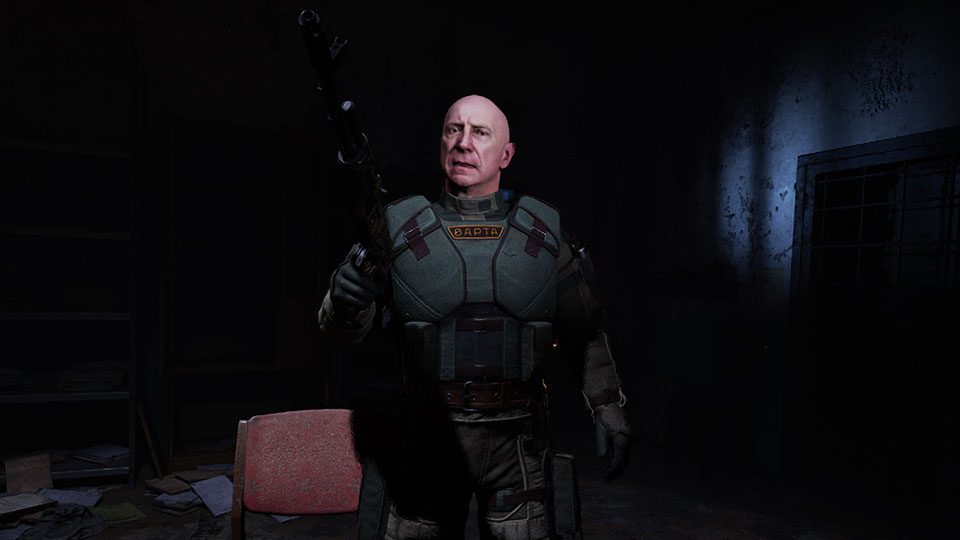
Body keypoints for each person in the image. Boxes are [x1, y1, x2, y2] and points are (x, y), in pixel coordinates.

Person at [318, 94, 632, 539]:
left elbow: (583, 329)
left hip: (517, 444)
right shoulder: (395, 228)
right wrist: (346, 297)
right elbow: (342, 328)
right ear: (441, 142)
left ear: (506, 154)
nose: (463, 143)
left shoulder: (543, 233)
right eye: (454, 129)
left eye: (480, 133)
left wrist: (608, 405)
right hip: (426, 438)